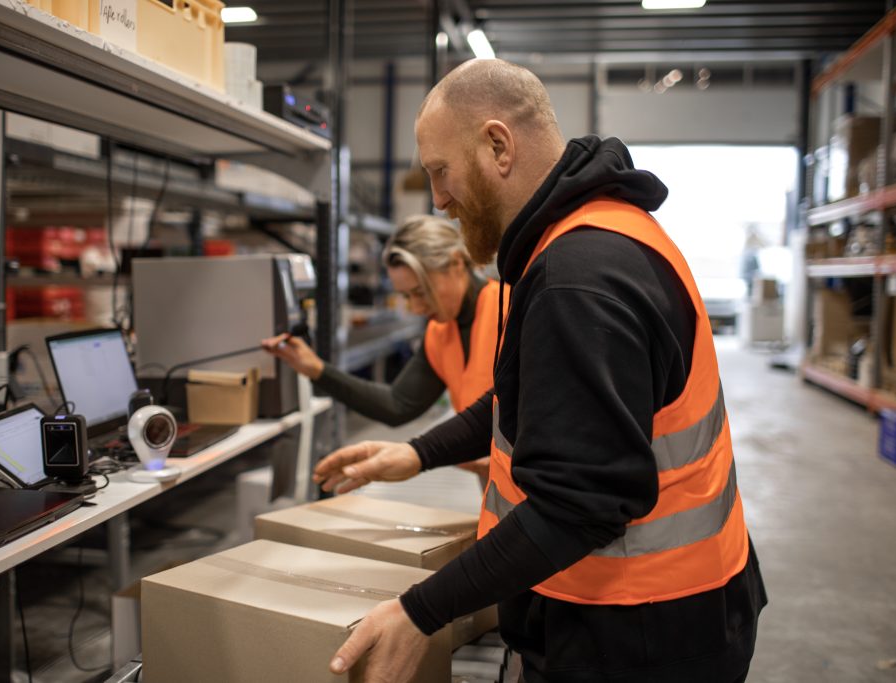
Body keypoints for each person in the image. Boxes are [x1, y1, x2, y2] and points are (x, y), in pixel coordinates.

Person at [313, 59, 767, 683]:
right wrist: (416, 454)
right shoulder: (600, 235)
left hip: (637, 633)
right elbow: (527, 404)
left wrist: (420, 613)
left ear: (498, 145)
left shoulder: (576, 278)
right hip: (666, 612)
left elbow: (577, 504)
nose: (439, 199)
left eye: (440, 172)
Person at [262, 215, 506, 480]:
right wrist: (317, 369)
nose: (415, 308)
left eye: (421, 291)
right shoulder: (439, 332)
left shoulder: (510, 311)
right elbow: (397, 404)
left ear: (457, 264)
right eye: (406, 296)